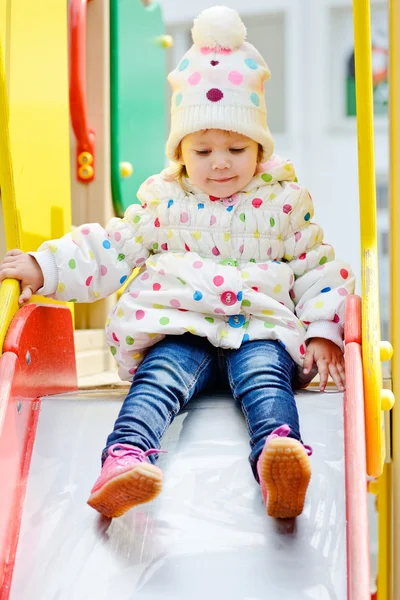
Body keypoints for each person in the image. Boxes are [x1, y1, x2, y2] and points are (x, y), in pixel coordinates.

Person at [0, 6, 354, 520]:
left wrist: (324, 327)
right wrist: (45, 267)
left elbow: (316, 266)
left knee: (265, 379)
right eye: (203, 149)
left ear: (258, 148)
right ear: (181, 152)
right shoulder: (164, 203)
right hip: (178, 328)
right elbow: (111, 248)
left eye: (236, 147)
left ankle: (281, 456)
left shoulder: (283, 204)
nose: (220, 162)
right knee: (158, 380)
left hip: (257, 330)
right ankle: (124, 460)